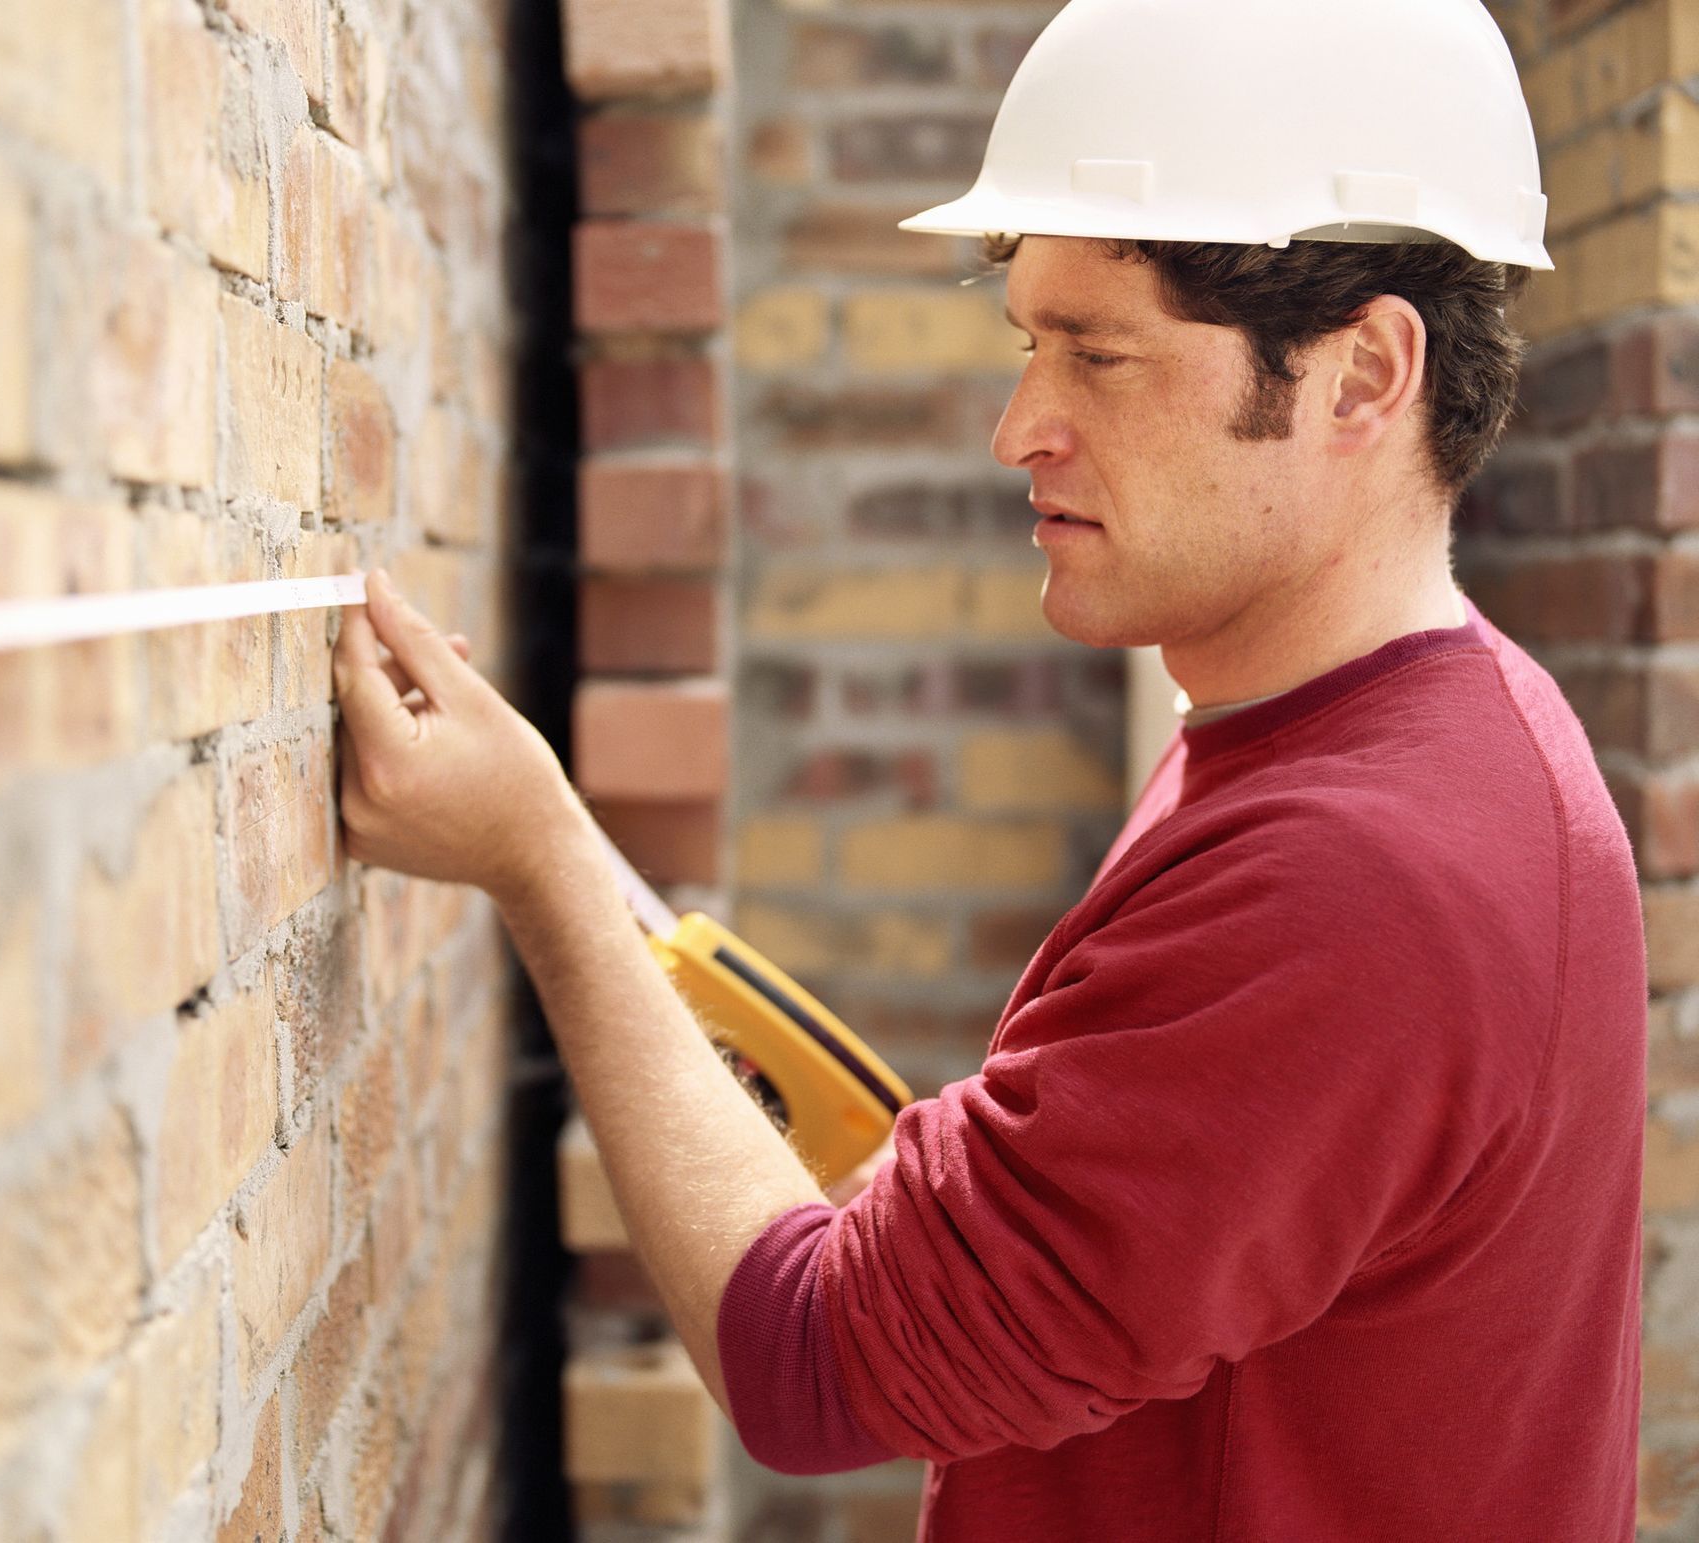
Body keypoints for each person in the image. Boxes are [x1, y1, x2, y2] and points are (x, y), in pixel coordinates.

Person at [333, 0, 1647, 1536]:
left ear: (1363, 377)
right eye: (1031, 342)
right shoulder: (1369, 739)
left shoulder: (1363, 875)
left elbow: (811, 1361)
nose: (1022, 426)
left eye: (1101, 355)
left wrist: (537, 861)